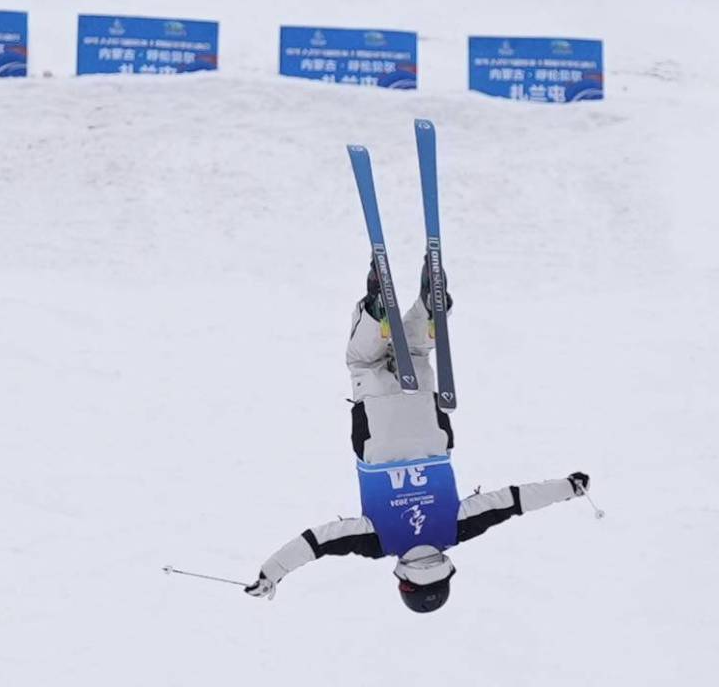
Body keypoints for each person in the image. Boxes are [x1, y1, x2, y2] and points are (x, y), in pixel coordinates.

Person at [245, 260, 589, 613]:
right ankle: (373, 311)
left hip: (428, 421)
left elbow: (513, 502)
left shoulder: (457, 528)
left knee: (416, 354)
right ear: (405, 581)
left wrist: (569, 488)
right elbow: (316, 542)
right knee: (363, 363)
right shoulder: (377, 541)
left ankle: (428, 310)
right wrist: (271, 573)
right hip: (378, 425)